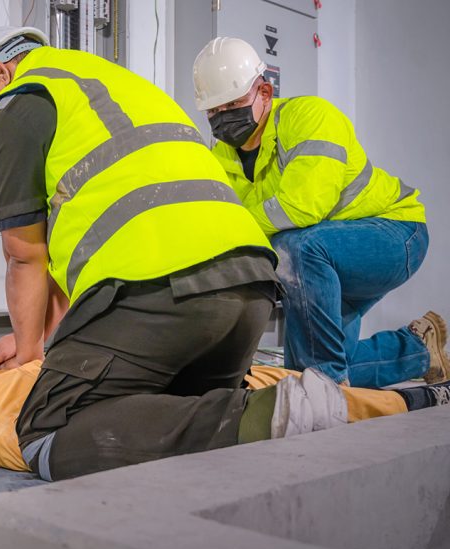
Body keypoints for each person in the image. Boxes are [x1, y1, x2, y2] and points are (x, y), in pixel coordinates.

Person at [0, 27, 283, 472]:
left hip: (164, 290)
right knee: (170, 417)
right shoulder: (113, 82)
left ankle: (269, 417)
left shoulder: (17, 98)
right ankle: (275, 414)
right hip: (252, 288)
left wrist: (29, 352)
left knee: (42, 431)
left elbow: (24, 255)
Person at [192, 37, 449, 388]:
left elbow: (301, 207)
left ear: (264, 93)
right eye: (214, 111)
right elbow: (221, 221)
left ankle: (324, 386)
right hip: (326, 257)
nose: (224, 118)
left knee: (295, 247)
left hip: (394, 234)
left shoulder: (309, 117)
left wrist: (234, 230)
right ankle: (418, 351)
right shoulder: (222, 155)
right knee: (305, 364)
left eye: (233, 104)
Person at [0, 359, 450, 481]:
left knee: (331, 377)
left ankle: (417, 369)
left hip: (230, 374)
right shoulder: (7, 433)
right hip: (226, 390)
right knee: (334, 399)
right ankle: (425, 398)